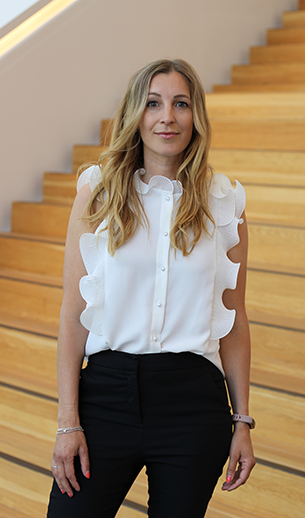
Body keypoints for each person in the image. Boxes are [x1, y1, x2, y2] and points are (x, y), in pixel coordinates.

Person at [47, 58, 256, 518]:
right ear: (135, 115)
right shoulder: (98, 193)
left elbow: (234, 320)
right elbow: (72, 311)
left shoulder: (225, 203)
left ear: (195, 116)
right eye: (153, 103)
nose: (168, 117)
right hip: (105, 397)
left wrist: (242, 420)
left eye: (181, 104)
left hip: (192, 404)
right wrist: (68, 421)